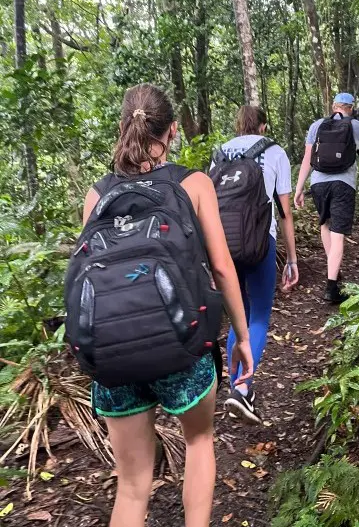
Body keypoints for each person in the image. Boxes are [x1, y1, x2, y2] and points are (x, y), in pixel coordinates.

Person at [81, 84, 253, 527]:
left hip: (113, 353)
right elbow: (221, 268)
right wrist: (241, 336)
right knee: (198, 443)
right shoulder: (193, 183)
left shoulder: (96, 195)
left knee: (133, 485)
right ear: (172, 131)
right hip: (180, 344)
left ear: (123, 128)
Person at [213, 106, 298, 424]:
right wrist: (291, 259)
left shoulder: (221, 153)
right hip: (262, 242)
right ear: (263, 126)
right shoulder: (274, 151)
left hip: (224, 246)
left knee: (239, 316)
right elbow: (285, 213)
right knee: (259, 315)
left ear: (239, 126)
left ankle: (238, 386)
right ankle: (242, 387)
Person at [294, 93, 359, 303]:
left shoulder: (316, 126)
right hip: (343, 184)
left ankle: (334, 268)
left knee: (325, 225)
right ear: (352, 107)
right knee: (338, 233)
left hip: (318, 184)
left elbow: (307, 159)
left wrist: (298, 189)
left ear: (334, 106)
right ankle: (331, 288)